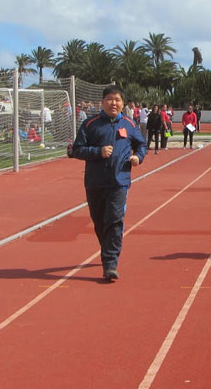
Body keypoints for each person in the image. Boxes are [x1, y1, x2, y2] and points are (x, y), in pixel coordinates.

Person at [69, 85, 146, 281]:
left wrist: (138, 156)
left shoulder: (129, 124)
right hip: (95, 182)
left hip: (119, 181)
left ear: (123, 103)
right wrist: (98, 151)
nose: (114, 103)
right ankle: (107, 250)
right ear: (102, 102)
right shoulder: (90, 124)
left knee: (114, 219)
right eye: (110, 99)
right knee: (99, 222)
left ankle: (110, 263)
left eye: (117, 99)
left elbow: (141, 144)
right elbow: (76, 150)